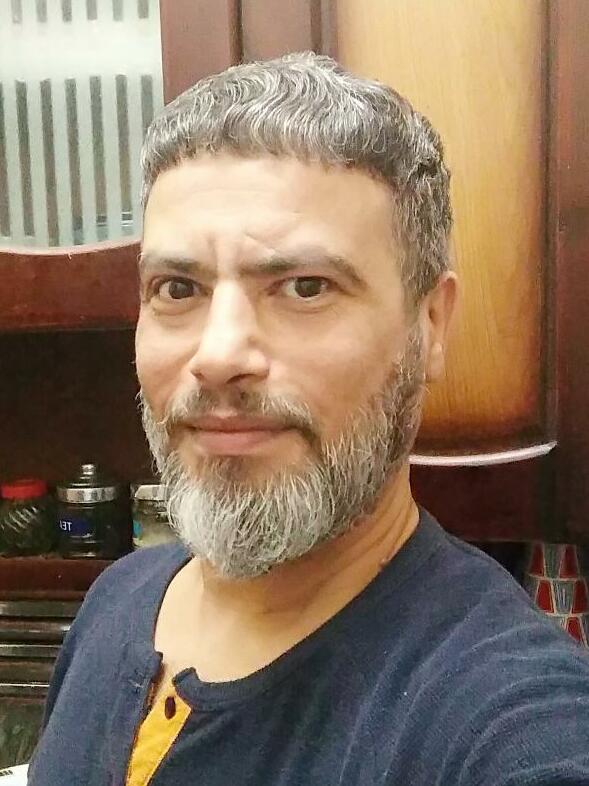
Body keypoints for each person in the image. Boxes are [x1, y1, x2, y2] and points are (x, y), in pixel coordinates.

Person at [29, 53, 589, 786]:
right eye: (177, 288)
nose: (218, 355)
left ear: (429, 325)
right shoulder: (118, 598)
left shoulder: (506, 722)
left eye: (304, 287)